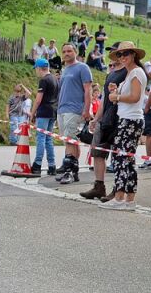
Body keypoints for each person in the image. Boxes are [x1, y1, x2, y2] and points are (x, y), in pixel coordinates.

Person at [103, 42, 147, 211]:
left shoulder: (136, 72)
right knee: (125, 159)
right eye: (120, 55)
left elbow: (135, 97)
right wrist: (116, 91)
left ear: (133, 54)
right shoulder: (132, 73)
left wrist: (117, 97)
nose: (122, 57)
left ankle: (121, 197)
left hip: (130, 120)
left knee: (122, 159)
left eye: (126, 53)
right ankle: (128, 199)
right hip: (128, 119)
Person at [82, 43, 128, 201]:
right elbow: (103, 100)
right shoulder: (111, 73)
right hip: (106, 118)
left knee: (117, 156)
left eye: (117, 52)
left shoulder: (129, 72)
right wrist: (96, 118)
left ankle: (117, 190)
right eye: (112, 52)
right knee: (98, 152)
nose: (114, 54)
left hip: (119, 118)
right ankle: (99, 186)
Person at [54, 43, 93, 184]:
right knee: (69, 141)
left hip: (75, 109)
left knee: (71, 139)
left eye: (69, 51)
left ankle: (69, 171)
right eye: (64, 51)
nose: (66, 53)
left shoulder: (82, 67)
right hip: (62, 109)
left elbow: (87, 90)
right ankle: (73, 170)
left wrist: (87, 109)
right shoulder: (65, 70)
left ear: (75, 52)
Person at [29, 58, 57, 175]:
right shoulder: (55, 79)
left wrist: (32, 113)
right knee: (48, 139)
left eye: (36, 68)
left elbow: (38, 99)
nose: (36, 71)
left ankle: (37, 164)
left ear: (40, 68)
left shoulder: (44, 80)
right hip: (53, 112)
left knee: (40, 138)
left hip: (44, 111)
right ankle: (52, 165)